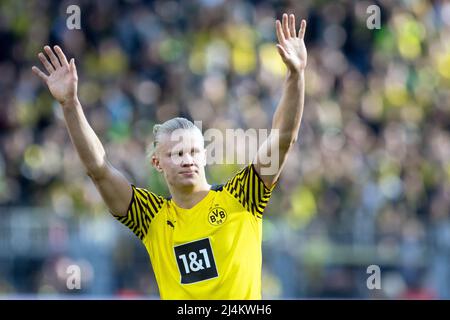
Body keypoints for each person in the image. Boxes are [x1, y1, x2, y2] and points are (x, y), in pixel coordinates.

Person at [32, 13, 307, 299]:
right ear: (157, 163)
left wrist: (296, 75)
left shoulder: (242, 197)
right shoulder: (151, 217)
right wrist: (71, 104)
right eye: (176, 153)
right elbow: (99, 169)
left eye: (192, 152)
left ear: (205, 156)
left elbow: (283, 138)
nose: (187, 159)